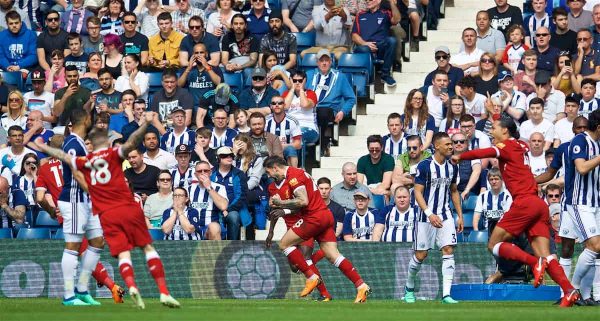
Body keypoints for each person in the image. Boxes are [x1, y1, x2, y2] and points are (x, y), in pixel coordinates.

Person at [36, 111, 180, 308]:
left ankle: (86, 290)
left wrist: (42, 147)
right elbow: (131, 142)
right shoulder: (111, 154)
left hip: (98, 207)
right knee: (76, 246)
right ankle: (70, 296)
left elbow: (65, 160)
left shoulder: (86, 159)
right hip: (84, 201)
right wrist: (146, 123)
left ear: (92, 144)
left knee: (99, 244)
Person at [453, 114, 580, 307]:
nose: (491, 130)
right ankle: (569, 291)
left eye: (494, 127)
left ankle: (532, 263)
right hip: (538, 203)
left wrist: (460, 156)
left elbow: (484, 152)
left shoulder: (508, 146)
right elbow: (507, 131)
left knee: (493, 244)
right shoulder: (521, 145)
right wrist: (495, 114)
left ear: (505, 131)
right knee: (547, 255)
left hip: (524, 203)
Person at [263, 155, 371, 303]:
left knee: (284, 244)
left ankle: (312, 277)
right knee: (333, 256)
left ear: (275, 168)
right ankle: (361, 286)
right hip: (326, 215)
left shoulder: (293, 176)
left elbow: (303, 200)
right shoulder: (298, 173)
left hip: (314, 217)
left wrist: (280, 203)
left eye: (269, 172)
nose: (269, 175)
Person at [34, 134, 126, 304]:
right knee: (90, 249)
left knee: (85, 251)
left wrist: (52, 211)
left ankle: (101, 287)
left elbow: (39, 198)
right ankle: (110, 287)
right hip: (87, 209)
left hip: (69, 212)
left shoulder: (45, 169)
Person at [401, 132, 462, 304]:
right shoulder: (424, 166)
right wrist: (429, 213)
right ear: (437, 146)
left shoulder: (452, 166)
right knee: (421, 255)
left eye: (452, 144)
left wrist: (459, 215)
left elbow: (454, 190)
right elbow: (417, 193)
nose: (451, 146)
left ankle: (446, 295)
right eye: (448, 144)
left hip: (446, 215)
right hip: (425, 216)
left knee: (448, 249)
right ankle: (409, 288)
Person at [566, 109, 600, 304]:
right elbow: (582, 168)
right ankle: (573, 289)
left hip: (595, 202)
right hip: (580, 202)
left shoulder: (597, 143)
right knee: (594, 245)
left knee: (596, 249)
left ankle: (586, 296)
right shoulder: (580, 140)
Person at [305, 49, 356, 155]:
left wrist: (342, 111)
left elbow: (351, 98)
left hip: (328, 109)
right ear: (317, 62)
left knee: (322, 112)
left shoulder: (339, 77)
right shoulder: (309, 75)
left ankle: (321, 145)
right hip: (309, 107)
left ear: (331, 61)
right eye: (321, 60)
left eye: (326, 60)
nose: (324, 63)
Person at [351, 0, 400, 86]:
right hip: (364, 46)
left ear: (378, 1)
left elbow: (396, 20)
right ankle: (368, 81)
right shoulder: (360, 15)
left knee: (392, 41)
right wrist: (365, 43)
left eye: (370, 0)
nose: (367, 1)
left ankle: (385, 75)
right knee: (364, 49)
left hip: (380, 45)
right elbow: (354, 35)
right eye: (366, 0)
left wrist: (392, 3)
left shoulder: (385, 13)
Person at [210, 146, 247, 240]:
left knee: (234, 217)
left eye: (231, 155)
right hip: (214, 208)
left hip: (232, 209)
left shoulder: (239, 174)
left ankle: (232, 245)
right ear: (218, 158)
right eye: (225, 156)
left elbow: (241, 196)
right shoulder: (211, 173)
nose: (229, 158)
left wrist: (228, 209)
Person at [188, 161, 229, 240]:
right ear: (195, 175)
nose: (203, 173)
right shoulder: (189, 189)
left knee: (214, 227)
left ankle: (217, 253)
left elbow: (224, 206)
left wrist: (209, 188)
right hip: (192, 228)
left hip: (211, 228)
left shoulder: (219, 187)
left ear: (210, 172)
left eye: (206, 171)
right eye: (200, 171)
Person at [178, 43, 223, 110]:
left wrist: (207, 67)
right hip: (192, 107)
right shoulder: (187, 69)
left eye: (201, 52)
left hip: (210, 107)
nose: (199, 55)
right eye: (196, 53)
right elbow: (179, 85)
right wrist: (188, 68)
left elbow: (219, 83)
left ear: (206, 54)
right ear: (193, 55)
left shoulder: (215, 68)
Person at [357, 134, 394, 205]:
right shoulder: (362, 160)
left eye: (377, 149)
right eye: (371, 150)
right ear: (368, 148)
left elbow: (386, 184)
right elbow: (359, 183)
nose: (374, 152)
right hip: (369, 190)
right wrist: (370, 191)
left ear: (382, 148)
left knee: (380, 199)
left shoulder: (388, 159)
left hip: (383, 191)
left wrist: (371, 191)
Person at [265, 95, 302, 167]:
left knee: (290, 149)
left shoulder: (292, 121)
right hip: (270, 150)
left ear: (284, 105)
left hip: (286, 150)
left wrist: (281, 146)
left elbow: (298, 144)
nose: (277, 105)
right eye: (274, 103)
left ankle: (293, 173)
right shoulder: (266, 121)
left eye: (280, 103)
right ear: (271, 106)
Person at [452, 132, 482, 200]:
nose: (458, 144)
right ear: (452, 144)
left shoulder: (473, 155)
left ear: (467, 143)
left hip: (470, 193)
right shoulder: (447, 157)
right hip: (450, 194)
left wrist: (466, 190)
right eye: (455, 142)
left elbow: (476, 171)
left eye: (462, 141)